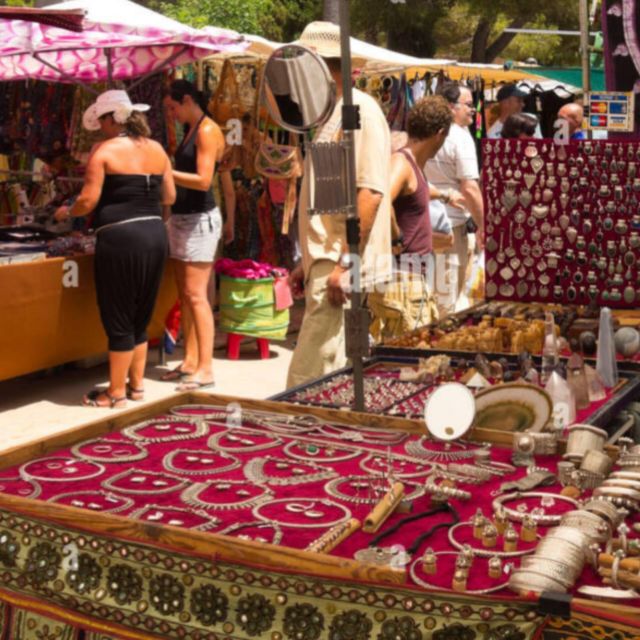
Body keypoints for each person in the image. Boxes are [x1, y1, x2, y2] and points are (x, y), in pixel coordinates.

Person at [286, 21, 392, 388]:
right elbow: (333, 200)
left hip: (341, 267)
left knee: (309, 377)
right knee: (333, 375)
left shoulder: (358, 108)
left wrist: (347, 262)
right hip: (329, 263)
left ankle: (298, 439)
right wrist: (309, 261)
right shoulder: (331, 114)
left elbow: (370, 192)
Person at [54, 90, 175, 408]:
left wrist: (67, 211)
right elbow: (169, 198)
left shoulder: (105, 150)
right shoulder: (158, 150)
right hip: (154, 235)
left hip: (121, 237)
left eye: (102, 121)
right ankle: (136, 387)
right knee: (140, 315)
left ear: (111, 119)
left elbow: (88, 200)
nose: (100, 129)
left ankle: (116, 392)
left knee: (119, 315)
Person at [368, 96, 453, 339]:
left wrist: (445, 195)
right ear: (440, 134)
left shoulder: (413, 165)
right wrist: (396, 237)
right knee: (406, 358)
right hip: (400, 280)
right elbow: (381, 198)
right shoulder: (402, 162)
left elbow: (415, 193)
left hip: (410, 277)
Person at [162, 79, 227, 391]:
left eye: (173, 107)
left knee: (197, 296)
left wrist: (164, 170)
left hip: (200, 219)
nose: (171, 114)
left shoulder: (206, 130)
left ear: (187, 100)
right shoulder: (190, 128)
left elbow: (203, 180)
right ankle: (189, 361)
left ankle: (206, 367)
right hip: (182, 217)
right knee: (185, 294)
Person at [424, 82, 484, 318]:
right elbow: (469, 188)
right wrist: (484, 224)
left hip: (423, 227)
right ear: (451, 107)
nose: (473, 110)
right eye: (468, 105)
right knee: (446, 304)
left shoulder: (426, 132)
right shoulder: (459, 137)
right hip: (450, 229)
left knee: (430, 295)